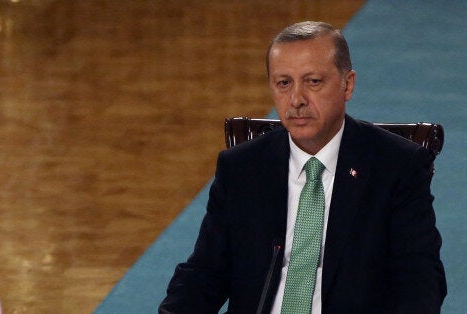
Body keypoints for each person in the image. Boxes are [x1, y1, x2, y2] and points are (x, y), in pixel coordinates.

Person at [160, 21, 446, 313]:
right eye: (284, 83)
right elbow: (204, 273)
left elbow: (419, 280)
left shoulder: (396, 166)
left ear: (347, 85)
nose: (296, 100)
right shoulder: (243, 168)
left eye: (313, 82)